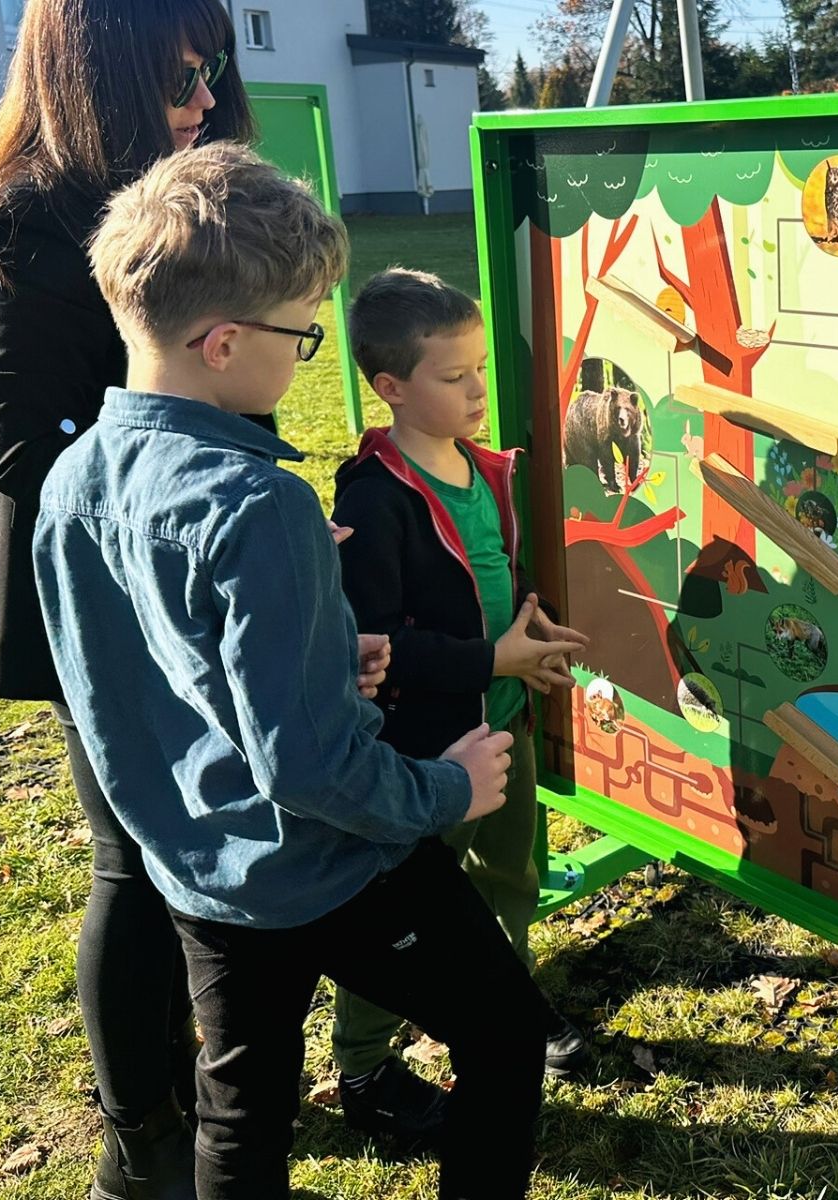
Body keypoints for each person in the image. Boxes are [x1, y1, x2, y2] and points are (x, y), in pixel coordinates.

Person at [0, 3, 387, 1195]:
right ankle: (143, 1142)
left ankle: (221, 1083)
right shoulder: (31, 220)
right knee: (135, 861)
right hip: (105, 602)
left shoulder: (151, 195)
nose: (207, 97)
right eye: (182, 75)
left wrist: (249, 525)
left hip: (185, 579)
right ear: (95, 72)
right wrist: (208, 528)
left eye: (215, 67)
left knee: (207, 836)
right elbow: (23, 455)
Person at [34, 142, 553, 1200]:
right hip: (331, 862)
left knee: (243, 1105)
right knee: (505, 1032)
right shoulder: (258, 502)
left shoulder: (73, 475)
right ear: (225, 342)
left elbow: (132, 679)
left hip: (197, 869)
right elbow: (310, 769)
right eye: (303, 332)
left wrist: (314, 651)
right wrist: (448, 788)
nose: (307, 351)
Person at [326, 270, 592, 1144]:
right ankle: (365, 1066)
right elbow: (373, 644)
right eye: (454, 376)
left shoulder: (486, 469)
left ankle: (506, 1007)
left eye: (480, 368)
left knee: (510, 880)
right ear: (391, 387)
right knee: (402, 920)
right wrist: (489, 658)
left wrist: (527, 636)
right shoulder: (374, 497)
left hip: (503, 727)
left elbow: (494, 579)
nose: (479, 390)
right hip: (423, 758)